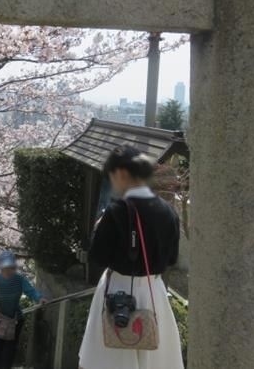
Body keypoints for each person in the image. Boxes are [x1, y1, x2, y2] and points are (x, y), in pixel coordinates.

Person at [79, 145, 184, 369]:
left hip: (117, 290)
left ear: (122, 174)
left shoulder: (116, 211)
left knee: (112, 358)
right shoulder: (169, 212)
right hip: (153, 290)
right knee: (154, 359)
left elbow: (98, 256)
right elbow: (172, 259)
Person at [0, 250, 47, 369]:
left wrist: (39, 298)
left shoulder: (19, 279)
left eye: (11, 267)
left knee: (9, 351)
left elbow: (30, 291)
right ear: (0, 267)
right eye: (5, 267)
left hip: (15, 320)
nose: (8, 270)